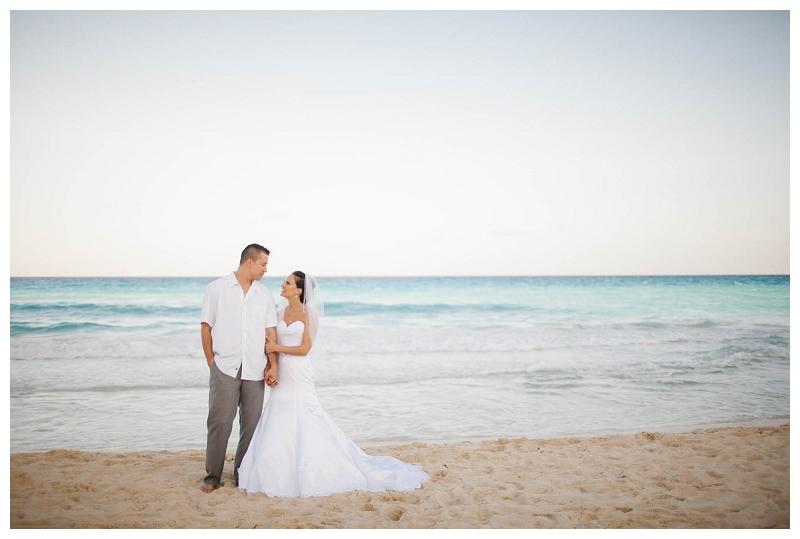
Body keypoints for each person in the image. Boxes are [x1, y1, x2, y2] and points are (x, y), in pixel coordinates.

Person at [237, 271, 428, 498]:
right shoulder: (279, 313)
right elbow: (270, 343)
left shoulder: (310, 314)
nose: (283, 284)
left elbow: (304, 349)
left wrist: (277, 349)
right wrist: (271, 365)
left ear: (298, 290)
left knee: (307, 414)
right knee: (278, 414)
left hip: (299, 372)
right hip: (283, 372)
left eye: (287, 282)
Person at [199, 244, 278, 493]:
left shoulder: (264, 295)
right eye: (263, 264)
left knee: (251, 424)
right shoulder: (216, 289)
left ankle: (242, 474)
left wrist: (272, 363)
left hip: (255, 367)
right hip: (224, 366)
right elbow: (206, 327)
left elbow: (269, 331)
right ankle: (212, 476)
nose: (266, 269)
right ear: (249, 262)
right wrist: (212, 361)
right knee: (220, 422)